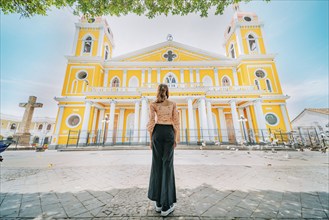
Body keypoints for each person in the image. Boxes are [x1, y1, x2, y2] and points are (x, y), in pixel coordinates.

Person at [147, 83, 180, 217]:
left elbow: (150, 124)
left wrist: (151, 139)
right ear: (167, 92)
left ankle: (158, 203)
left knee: (157, 165)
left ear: (158, 91)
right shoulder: (172, 103)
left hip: (157, 132)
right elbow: (176, 123)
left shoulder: (153, 104)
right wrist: (176, 139)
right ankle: (166, 206)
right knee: (167, 166)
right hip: (168, 132)